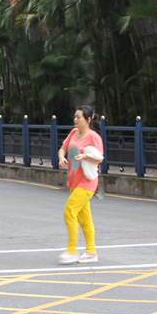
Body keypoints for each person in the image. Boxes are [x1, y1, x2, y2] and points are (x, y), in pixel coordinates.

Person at [56, 106, 104, 265]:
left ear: (88, 120)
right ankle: (91, 251)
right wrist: (62, 157)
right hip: (74, 181)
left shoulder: (94, 137)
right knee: (85, 219)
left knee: (69, 211)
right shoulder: (73, 133)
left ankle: (72, 250)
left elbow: (99, 158)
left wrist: (86, 156)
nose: (75, 120)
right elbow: (63, 148)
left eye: (79, 117)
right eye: (75, 117)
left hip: (87, 182)